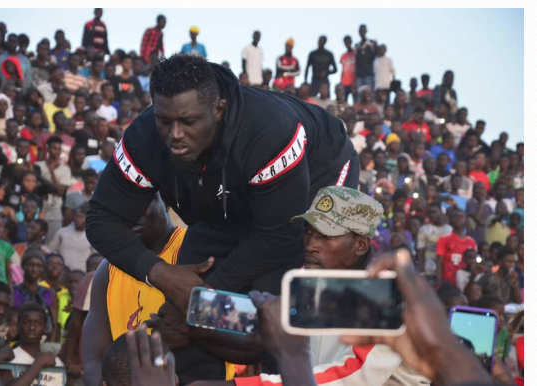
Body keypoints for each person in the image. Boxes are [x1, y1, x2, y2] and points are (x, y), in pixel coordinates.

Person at [86, 54, 358, 382]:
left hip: (314, 175)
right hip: (228, 199)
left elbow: (276, 237)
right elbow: (100, 219)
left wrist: (200, 300)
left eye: (187, 121)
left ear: (219, 109)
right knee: (181, 322)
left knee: (274, 303)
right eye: (164, 120)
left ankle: (281, 374)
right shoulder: (144, 136)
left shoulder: (269, 130)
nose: (174, 134)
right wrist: (161, 274)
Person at [212, 187, 428, 386]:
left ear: (360, 245)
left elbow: (350, 376)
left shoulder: (387, 297)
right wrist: (199, 325)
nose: (311, 245)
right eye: (308, 232)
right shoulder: (309, 281)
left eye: (325, 236)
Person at [82, 193, 187, 385]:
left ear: (166, 202)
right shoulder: (107, 270)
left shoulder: (193, 251)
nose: (130, 212)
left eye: (142, 201)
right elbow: (92, 359)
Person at [0, 303, 64, 386]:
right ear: (18, 327)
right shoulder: (10, 358)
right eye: (26, 323)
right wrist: (39, 363)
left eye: (38, 323)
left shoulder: (55, 362)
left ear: (45, 328)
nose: (32, 327)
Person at [436, 208, 477, 286]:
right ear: (451, 220)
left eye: (461, 217)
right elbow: (439, 263)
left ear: (465, 220)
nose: (458, 219)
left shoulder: (471, 242)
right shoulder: (444, 239)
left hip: (465, 282)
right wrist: (439, 283)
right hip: (448, 282)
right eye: (455, 217)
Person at [50, 203, 95, 272]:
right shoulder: (62, 232)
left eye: (81, 217)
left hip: (82, 274)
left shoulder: (92, 236)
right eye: (76, 216)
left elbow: (95, 257)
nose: (77, 219)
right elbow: (51, 250)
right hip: (62, 273)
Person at [355, 24, 377, 91]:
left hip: (369, 74)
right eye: (360, 31)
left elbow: (377, 55)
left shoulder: (372, 43)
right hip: (359, 75)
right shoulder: (357, 46)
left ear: (366, 31)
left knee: (369, 93)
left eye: (363, 31)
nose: (362, 32)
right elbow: (356, 61)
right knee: (360, 94)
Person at [339, 35, 356, 103]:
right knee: (344, 101)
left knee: (355, 100)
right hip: (344, 82)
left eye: (348, 42)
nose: (347, 44)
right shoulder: (343, 55)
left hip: (353, 82)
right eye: (345, 42)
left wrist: (355, 82)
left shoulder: (356, 54)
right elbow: (342, 69)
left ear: (351, 42)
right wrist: (341, 81)